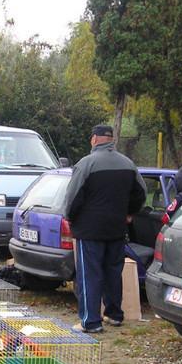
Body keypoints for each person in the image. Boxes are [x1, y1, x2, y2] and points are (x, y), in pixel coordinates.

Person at [64, 124, 147, 334]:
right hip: (117, 229)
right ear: (111, 140)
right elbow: (141, 192)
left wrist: (70, 218)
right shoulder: (128, 164)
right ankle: (114, 314)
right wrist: (130, 213)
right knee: (113, 271)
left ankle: (90, 321)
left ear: (94, 139)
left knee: (89, 275)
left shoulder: (86, 164)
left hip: (89, 231)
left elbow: (73, 198)